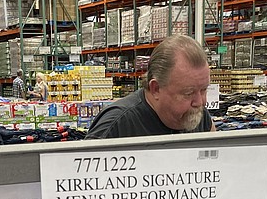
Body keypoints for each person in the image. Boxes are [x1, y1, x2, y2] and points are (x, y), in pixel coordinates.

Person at [86, 35, 215, 139]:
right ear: (156, 89)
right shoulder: (116, 126)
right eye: (188, 93)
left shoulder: (199, 116)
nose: (200, 102)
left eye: (204, 90)